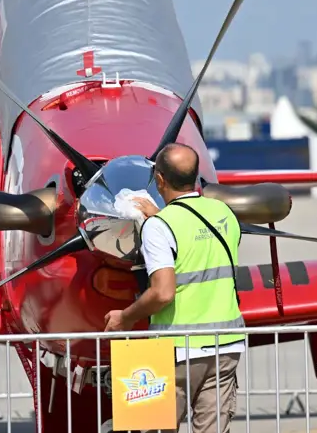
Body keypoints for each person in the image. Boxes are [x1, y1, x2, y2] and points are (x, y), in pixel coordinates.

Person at [104, 142, 243, 433]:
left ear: (160, 179)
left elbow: (163, 292)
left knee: (157, 427)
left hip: (178, 348)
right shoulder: (223, 213)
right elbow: (197, 241)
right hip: (227, 345)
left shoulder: (160, 227)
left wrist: (124, 317)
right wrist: (160, 219)